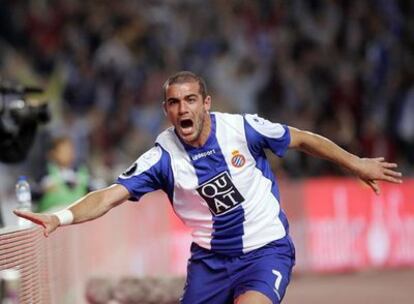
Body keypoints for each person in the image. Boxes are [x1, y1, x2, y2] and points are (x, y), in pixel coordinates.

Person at [14, 71, 403, 304]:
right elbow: (109, 197)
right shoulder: (162, 157)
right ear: (166, 110)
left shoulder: (241, 128)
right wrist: (59, 217)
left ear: (206, 103)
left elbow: (301, 138)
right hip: (210, 263)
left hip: (265, 251)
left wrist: (357, 163)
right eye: (173, 103)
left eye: (190, 100)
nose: (183, 109)